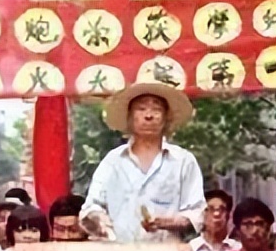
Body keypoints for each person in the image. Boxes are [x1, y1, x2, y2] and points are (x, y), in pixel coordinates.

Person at [80, 82, 206, 242]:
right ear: (130, 117)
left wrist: (165, 222)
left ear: (167, 117)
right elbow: (91, 207)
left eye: (157, 109)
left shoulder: (183, 161)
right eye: (141, 109)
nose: (149, 115)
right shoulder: (113, 161)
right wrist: (100, 222)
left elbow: (196, 214)